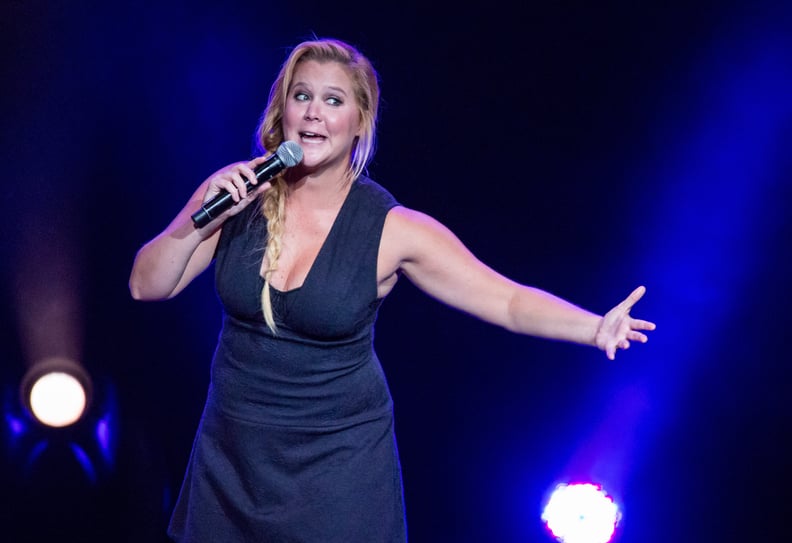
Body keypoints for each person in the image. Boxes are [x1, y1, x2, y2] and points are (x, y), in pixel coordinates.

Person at [129, 37, 655, 543]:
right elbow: (145, 285)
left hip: (335, 470)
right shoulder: (237, 192)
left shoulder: (393, 228)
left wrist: (594, 327)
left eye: (333, 101)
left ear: (359, 122)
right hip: (233, 461)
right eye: (302, 96)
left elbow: (506, 299)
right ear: (283, 112)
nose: (313, 112)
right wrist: (199, 223)